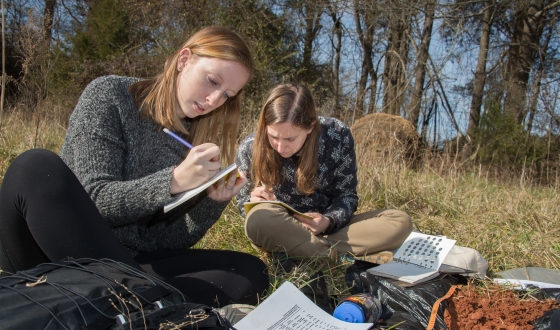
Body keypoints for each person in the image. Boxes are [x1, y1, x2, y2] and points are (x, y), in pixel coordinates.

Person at [0, 26, 268, 307]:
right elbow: (93, 198)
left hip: (126, 266)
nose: (214, 100)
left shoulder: (193, 140)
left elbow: (162, 242)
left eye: (227, 94)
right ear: (184, 60)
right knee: (34, 168)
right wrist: (172, 182)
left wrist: (211, 203)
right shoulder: (111, 95)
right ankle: (144, 307)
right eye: (212, 81)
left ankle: (125, 307)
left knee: (248, 272)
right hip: (57, 256)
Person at [236, 83, 413, 261]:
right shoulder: (250, 146)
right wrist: (253, 202)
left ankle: (303, 252)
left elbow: (347, 195)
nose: (281, 147)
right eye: (273, 136)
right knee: (258, 220)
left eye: (290, 138)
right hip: (279, 227)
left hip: (327, 230)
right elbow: (243, 202)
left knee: (400, 221)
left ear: (311, 126)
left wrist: (328, 220)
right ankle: (333, 256)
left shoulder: (337, 135)